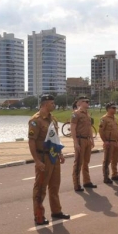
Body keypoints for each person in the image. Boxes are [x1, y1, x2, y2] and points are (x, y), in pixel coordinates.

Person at [28, 95, 69, 225]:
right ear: (45, 104)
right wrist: (37, 161)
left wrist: (60, 154)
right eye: (52, 103)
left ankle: (56, 211)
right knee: (40, 187)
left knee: (55, 186)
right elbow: (32, 141)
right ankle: (39, 215)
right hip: (43, 157)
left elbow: (55, 139)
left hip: (54, 156)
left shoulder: (53, 119)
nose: (54, 105)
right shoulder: (36, 120)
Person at [71, 96, 96, 191]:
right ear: (79, 103)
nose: (88, 103)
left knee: (86, 162)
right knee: (78, 162)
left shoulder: (87, 114)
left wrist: (92, 139)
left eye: (88, 101)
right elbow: (73, 128)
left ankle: (87, 181)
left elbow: (89, 128)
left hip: (87, 140)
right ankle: (76, 184)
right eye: (86, 101)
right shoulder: (76, 114)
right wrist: (75, 142)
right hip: (80, 139)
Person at [99, 102, 118, 184]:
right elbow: (101, 131)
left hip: (117, 142)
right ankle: (106, 177)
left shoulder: (115, 118)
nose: (115, 109)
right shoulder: (104, 119)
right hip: (109, 142)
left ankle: (114, 174)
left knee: (115, 160)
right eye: (113, 108)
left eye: (115, 107)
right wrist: (105, 141)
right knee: (107, 160)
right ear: (108, 109)